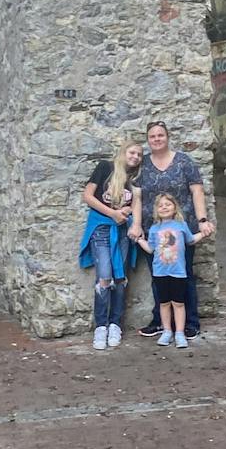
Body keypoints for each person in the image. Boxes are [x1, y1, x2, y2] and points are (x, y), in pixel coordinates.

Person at [130, 120, 214, 338]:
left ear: (167, 137)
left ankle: (190, 322)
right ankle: (161, 322)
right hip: (154, 231)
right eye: (152, 136)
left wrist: (202, 220)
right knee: (159, 278)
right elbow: (137, 197)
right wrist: (136, 224)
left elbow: (197, 191)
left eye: (160, 135)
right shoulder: (143, 166)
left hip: (180, 230)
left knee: (184, 276)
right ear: (148, 140)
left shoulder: (184, 162)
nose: (156, 139)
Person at [78, 138, 143, 349]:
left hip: (122, 231)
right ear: (123, 152)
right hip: (101, 228)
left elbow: (136, 203)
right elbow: (88, 196)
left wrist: (131, 218)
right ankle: (101, 326)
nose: (135, 157)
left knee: (120, 277)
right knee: (104, 276)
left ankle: (116, 323)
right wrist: (112, 213)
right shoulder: (105, 168)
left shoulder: (135, 178)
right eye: (132, 152)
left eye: (139, 155)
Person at [133, 194, 206, 348]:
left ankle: (179, 333)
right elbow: (151, 249)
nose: (164, 207)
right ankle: (167, 331)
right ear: (156, 210)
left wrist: (204, 233)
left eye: (168, 204)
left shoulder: (181, 225)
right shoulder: (154, 229)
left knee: (178, 303)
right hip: (160, 273)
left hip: (178, 272)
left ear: (175, 207)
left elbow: (190, 240)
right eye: (160, 205)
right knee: (164, 303)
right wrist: (139, 240)